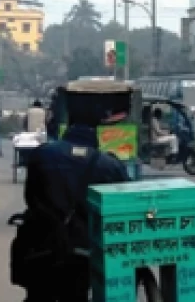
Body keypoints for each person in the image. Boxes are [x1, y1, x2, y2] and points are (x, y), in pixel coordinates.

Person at [11, 110, 130, 301]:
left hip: (40, 244)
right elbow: (124, 203)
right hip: (84, 249)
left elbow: (30, 196)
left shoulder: (41, 154)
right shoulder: (109, 164)